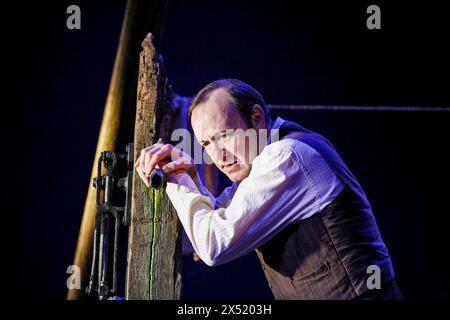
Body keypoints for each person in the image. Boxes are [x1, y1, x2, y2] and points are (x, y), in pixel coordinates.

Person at [134, 79, 402, 300]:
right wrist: (191, 177)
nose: (218, 156)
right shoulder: (262, 164)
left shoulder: (287, 157)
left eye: (224, 136)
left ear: (258, 119)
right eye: (206, 144)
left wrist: (176, 178)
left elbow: (213, 244)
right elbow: (219, 215)